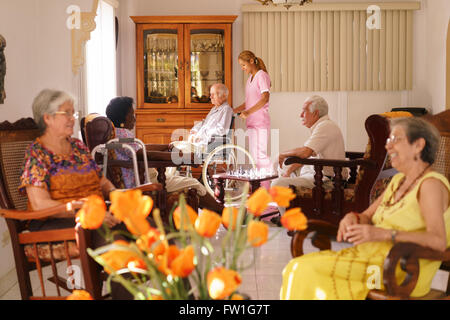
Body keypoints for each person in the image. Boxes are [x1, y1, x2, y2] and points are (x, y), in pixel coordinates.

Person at [280, 117, 450, 300]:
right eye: (388, 140)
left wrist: (382, 234)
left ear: (419, 145)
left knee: (305, 270)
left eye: (395, 140)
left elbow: (438, 241)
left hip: (399, 271)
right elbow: (366, 216)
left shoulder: (430, 184)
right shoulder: (397, 181)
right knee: (295, 267)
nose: (388, 146)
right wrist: (352, 218)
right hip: (372, 260)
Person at [19, 89, 121, 232]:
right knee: (113, 237)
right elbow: (40, 204)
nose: (72, 118)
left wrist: (115, 193)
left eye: (73, 113)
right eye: (66, 113)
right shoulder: (37, 153)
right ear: (47, 118)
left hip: (95, 212)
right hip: (57, 222)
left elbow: (102, 182)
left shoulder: (78, 146)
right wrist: (84, 213)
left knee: (141, 222)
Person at [105, 96, 223, 212]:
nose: (134, 118)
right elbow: (145, 154)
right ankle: (224, 213)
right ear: (123, 118)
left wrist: (165, 147)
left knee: (182, 180)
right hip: (144, 181)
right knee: (194, 183)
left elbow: (141, 147)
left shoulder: (117, 133)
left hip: (143, 177)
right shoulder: (124, 135)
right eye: (131, 114)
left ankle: (222, 213)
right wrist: (181, 157)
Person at [271, 95, 347, 217]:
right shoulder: (321, 126)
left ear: (315, 113)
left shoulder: (325, 126)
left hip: (327, 180)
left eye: (304, 111)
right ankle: (288, 212)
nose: (301, 115)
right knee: (282, 166)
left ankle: (289, 220)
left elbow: (305, 152)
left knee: (276, 184)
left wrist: (283, 154)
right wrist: (288, 170)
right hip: (316, 174)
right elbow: (306, 155)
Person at [234, 50, 272, 188]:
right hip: (251, 123)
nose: (242, 68)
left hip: (260, 122)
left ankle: (266, 188)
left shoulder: (262, 76)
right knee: (255, 158)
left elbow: (265, 98)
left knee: (261, 156)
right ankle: (259, 188)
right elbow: (248, 101)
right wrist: (234, 110)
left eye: (243, 65)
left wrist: (248, 112)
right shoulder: (250, 79)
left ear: (251, 61)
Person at [170, 83, 233, 154]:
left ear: (224, 95)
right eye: (210, 94)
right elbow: (204, 122)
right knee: (172, 147)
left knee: (174, 150)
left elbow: (222, 130)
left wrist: (202, 136)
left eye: (213, 94)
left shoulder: (226, 110)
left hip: (206, 145)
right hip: (199, 143)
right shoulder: (214, 109)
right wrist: (195, 130)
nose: (210, 97)